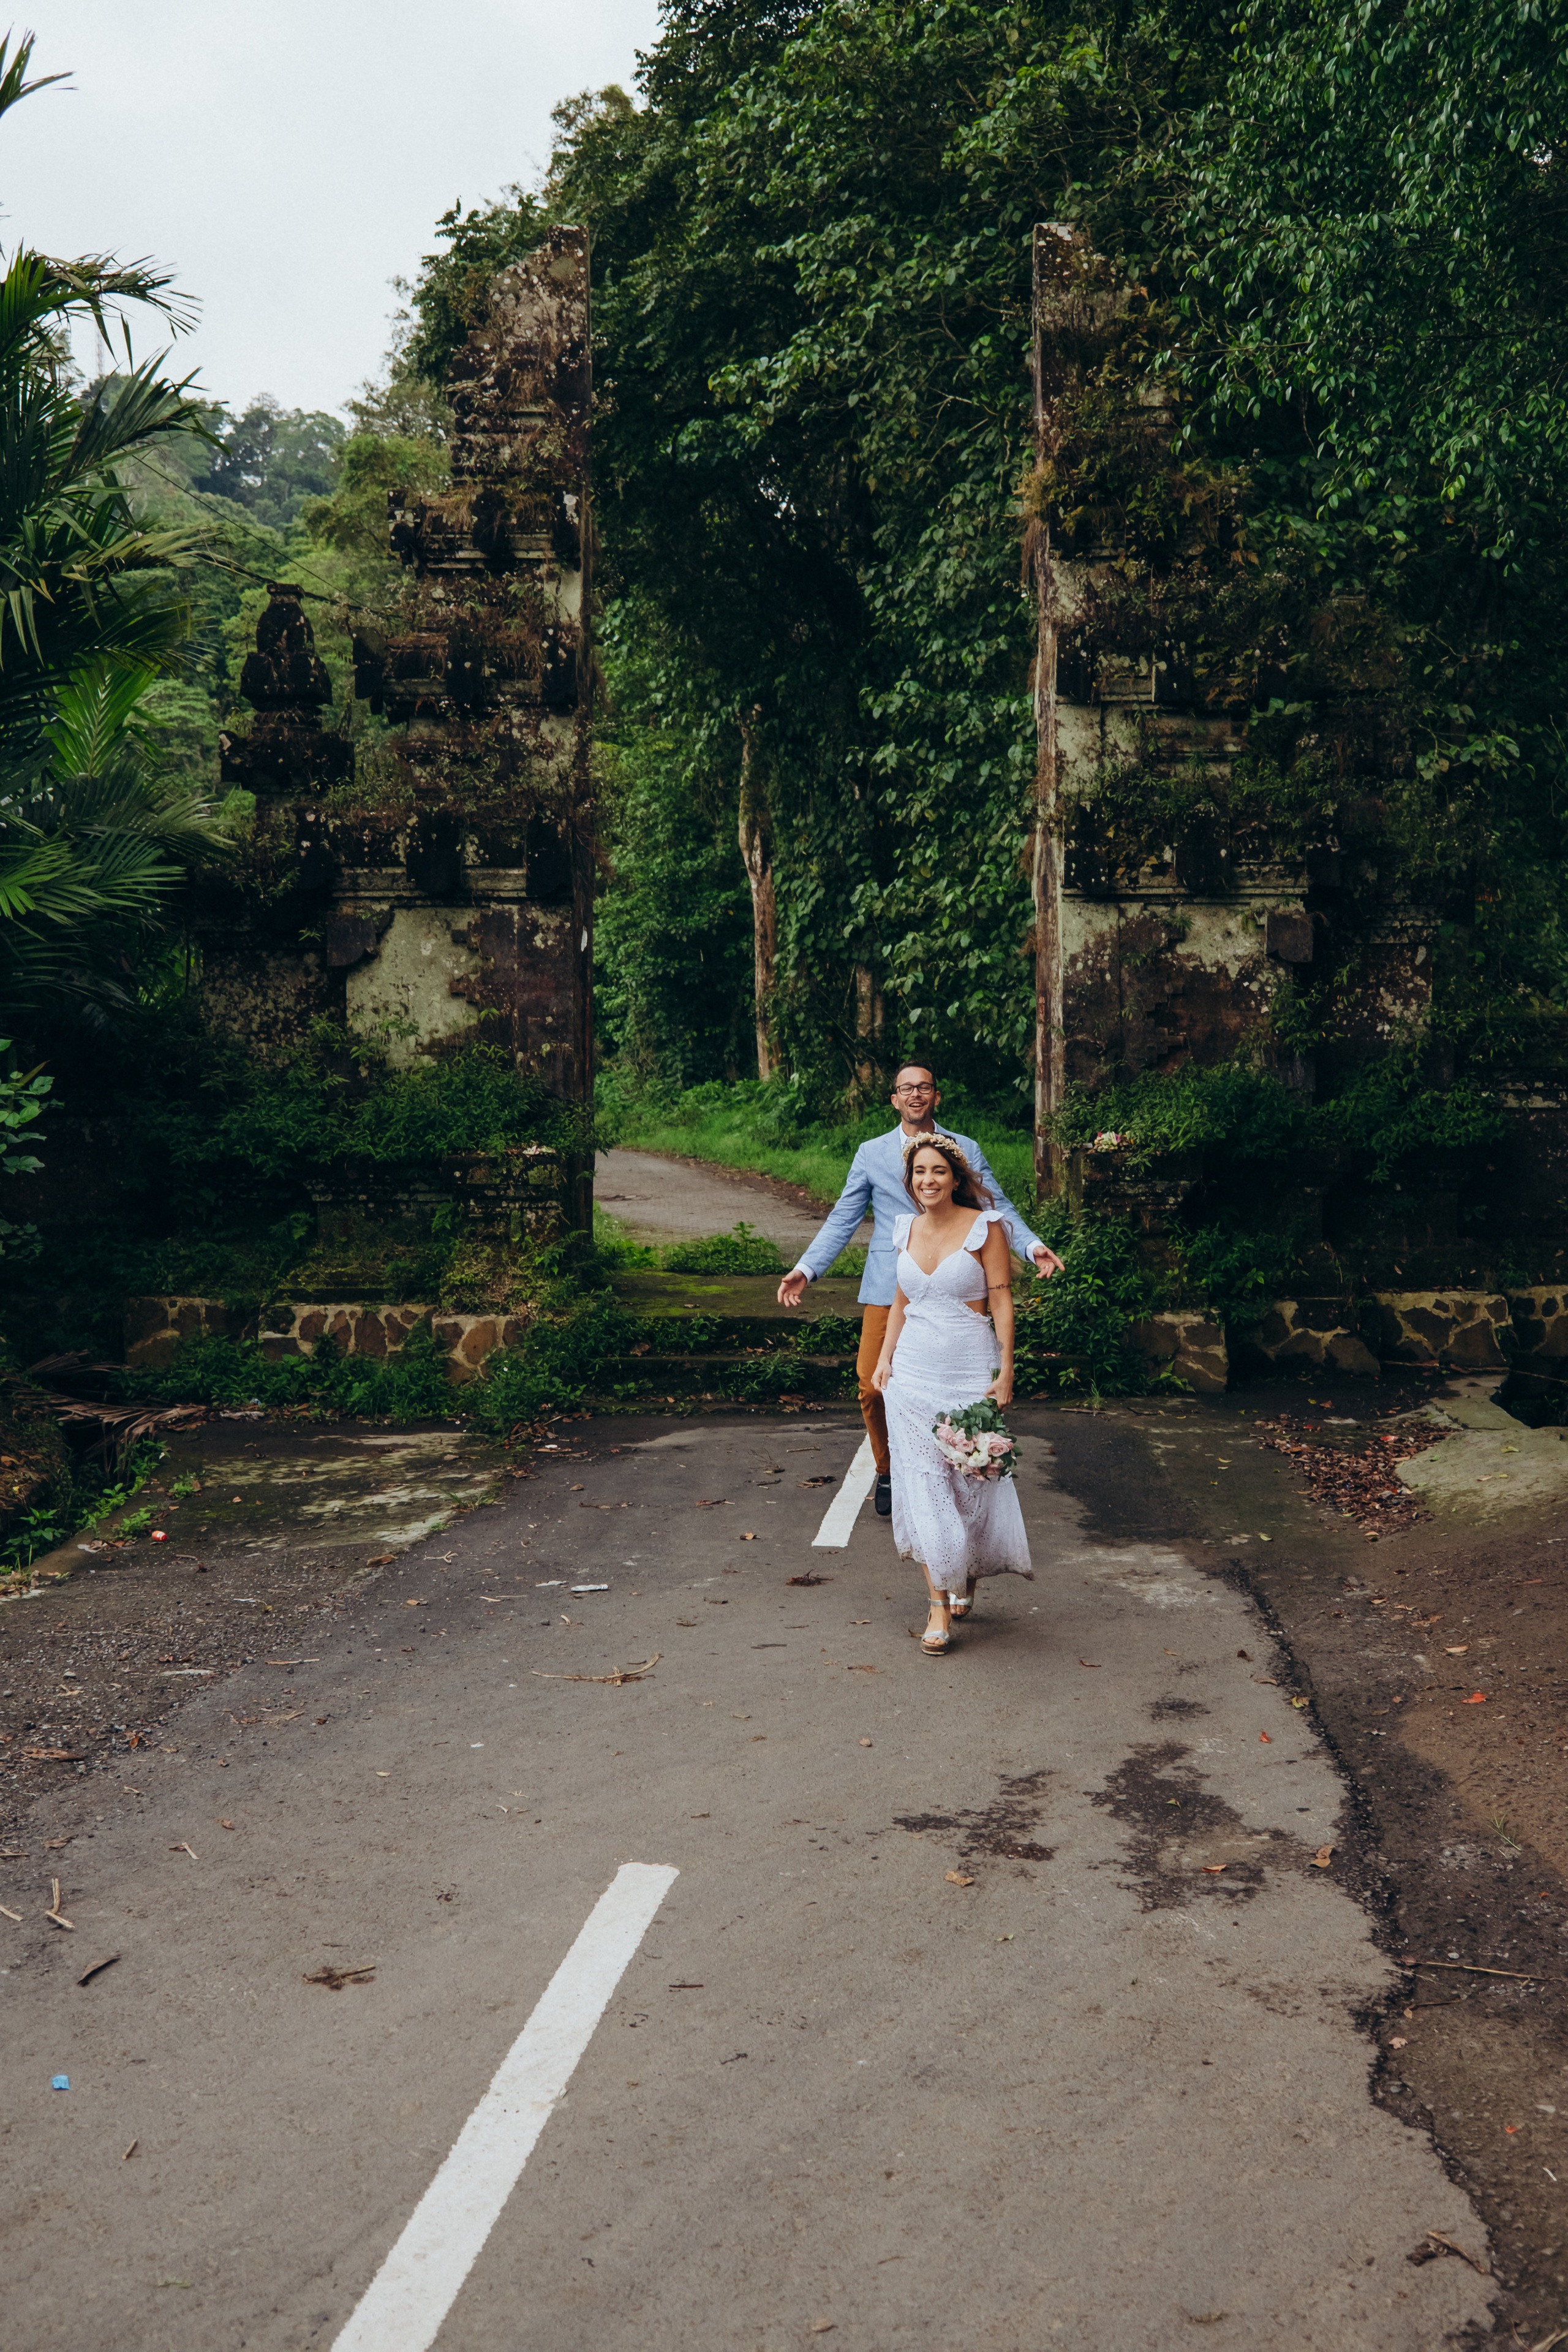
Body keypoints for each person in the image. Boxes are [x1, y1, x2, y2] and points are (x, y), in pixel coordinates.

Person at [776, 1061, 1062, 1515]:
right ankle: (889, 1470)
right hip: (894, 1286)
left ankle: (951, 1474)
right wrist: (807, 1269)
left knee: (949, 1389)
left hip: (953, 1283)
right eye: (906, 1088)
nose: (915, 1095)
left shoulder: (964, 1148)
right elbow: (843, 1217)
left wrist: (1032, 1246)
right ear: (894, 1099)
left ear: (936, 1096)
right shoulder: (871, 1153)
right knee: (873, 1386)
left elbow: (998, 1206)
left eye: (924, 1087)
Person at [872, 1134, 1033, 1652]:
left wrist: (1005, 1369)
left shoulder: (986, 1230)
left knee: (970, 1483)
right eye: (920, 1172)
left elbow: (1003, 1304)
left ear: (956, 1177)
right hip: (912, 1376)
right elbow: (900, 1303)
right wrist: (884, 1359)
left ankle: (966, 1573)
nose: (928, 1181)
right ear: (910, 1179)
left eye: (938, 1171)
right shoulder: (905, 1228)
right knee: (923, 1484)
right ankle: (937, 1604)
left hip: (968, 1371)